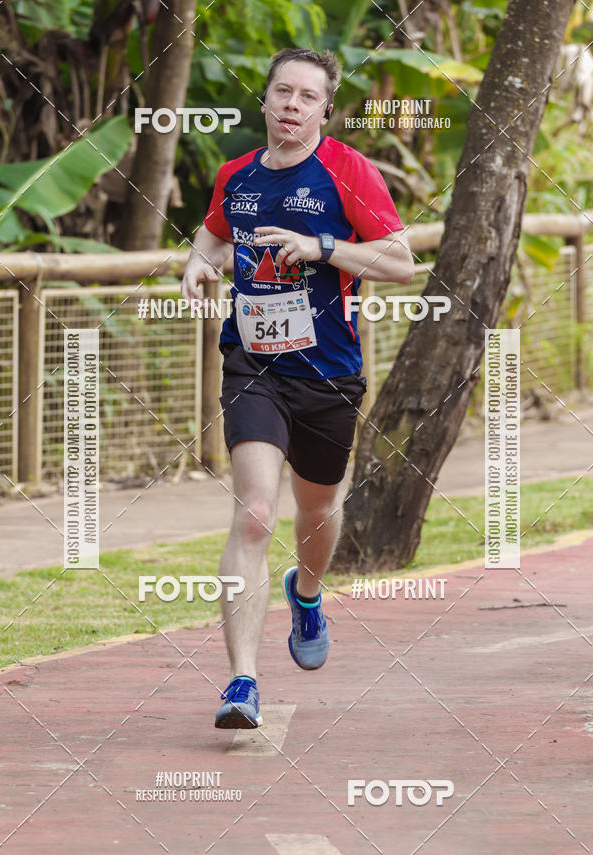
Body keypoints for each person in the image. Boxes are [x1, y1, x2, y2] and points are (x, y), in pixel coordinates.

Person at [181, 48, 414, 729]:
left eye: (307, 96)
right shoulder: (238, 175)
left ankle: (307, 592)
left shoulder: (348, 171)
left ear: (324, 110)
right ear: (266, 99)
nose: (291, 104)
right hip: (253, 365)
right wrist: (198, 264)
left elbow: (401, 261)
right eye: (282, 90)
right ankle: (241, 682)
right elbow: (216, 232)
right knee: (255, 513)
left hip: (329, 372)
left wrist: (324, 249)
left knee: (318, 511)